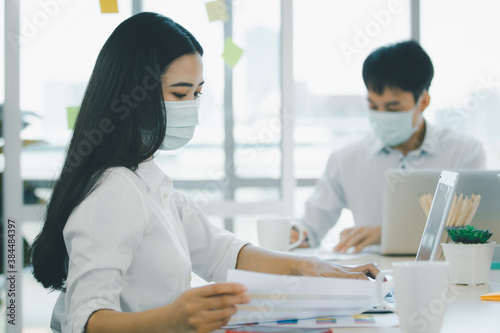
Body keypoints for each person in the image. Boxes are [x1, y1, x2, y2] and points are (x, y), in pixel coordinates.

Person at [29, 12, 379, 333]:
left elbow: (220, 252)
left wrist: (310, 267)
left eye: (197, 94)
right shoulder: (113, 189)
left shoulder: (148, 179)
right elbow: (85, 319)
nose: (191, 108)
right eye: (180, 93)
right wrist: (174, 319)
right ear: (134, 97)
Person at [290, 40, 486, 254]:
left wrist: (387, 233)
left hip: (444, 276)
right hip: (370, 278)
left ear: (423, 101)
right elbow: (311, 227)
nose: (382, 116)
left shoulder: (464, 153)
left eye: (393, 108)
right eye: (374, 106)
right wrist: (296, 234)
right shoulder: (346, 158)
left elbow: (474, 233)